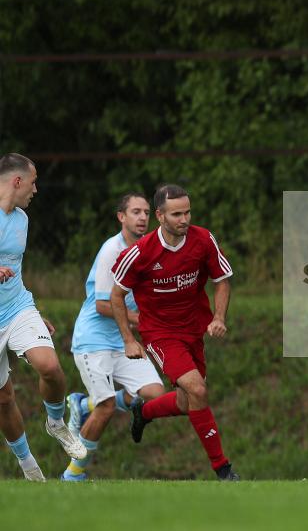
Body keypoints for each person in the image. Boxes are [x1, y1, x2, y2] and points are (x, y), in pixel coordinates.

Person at [110, 184, 238, 481]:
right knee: (198, 390)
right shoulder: (141, 252)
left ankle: (145, 412)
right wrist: (129, 340)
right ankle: (223, 469)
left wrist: (219, 317)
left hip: (194, 330)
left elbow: (222, 280)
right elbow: (116, 296)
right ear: (160, 216)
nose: (184, 219)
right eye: (176, 214)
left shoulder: (203, 239)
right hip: (161, 333)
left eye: (187, 212)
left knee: (186, 402)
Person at [62, 193, 166, 481]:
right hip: (93, 340)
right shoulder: (112, 250)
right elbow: (102, 305)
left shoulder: (153, 250)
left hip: (123, 340)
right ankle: (73, 475)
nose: (143, 217)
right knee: (107, 408)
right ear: (121, 217)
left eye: (146, 212)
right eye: (135, 211)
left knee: (154, 396)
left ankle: (83, 405)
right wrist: (138, 321)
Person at [0, 153, 86, 481]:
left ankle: (56, 423)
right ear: (17, 181)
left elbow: (15, 272)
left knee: (49, 366)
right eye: (33, 182)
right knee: (4, 398)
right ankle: (29, 467)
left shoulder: (21, 219)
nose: (36, 190)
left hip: (18, 308)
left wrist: (33, 313)